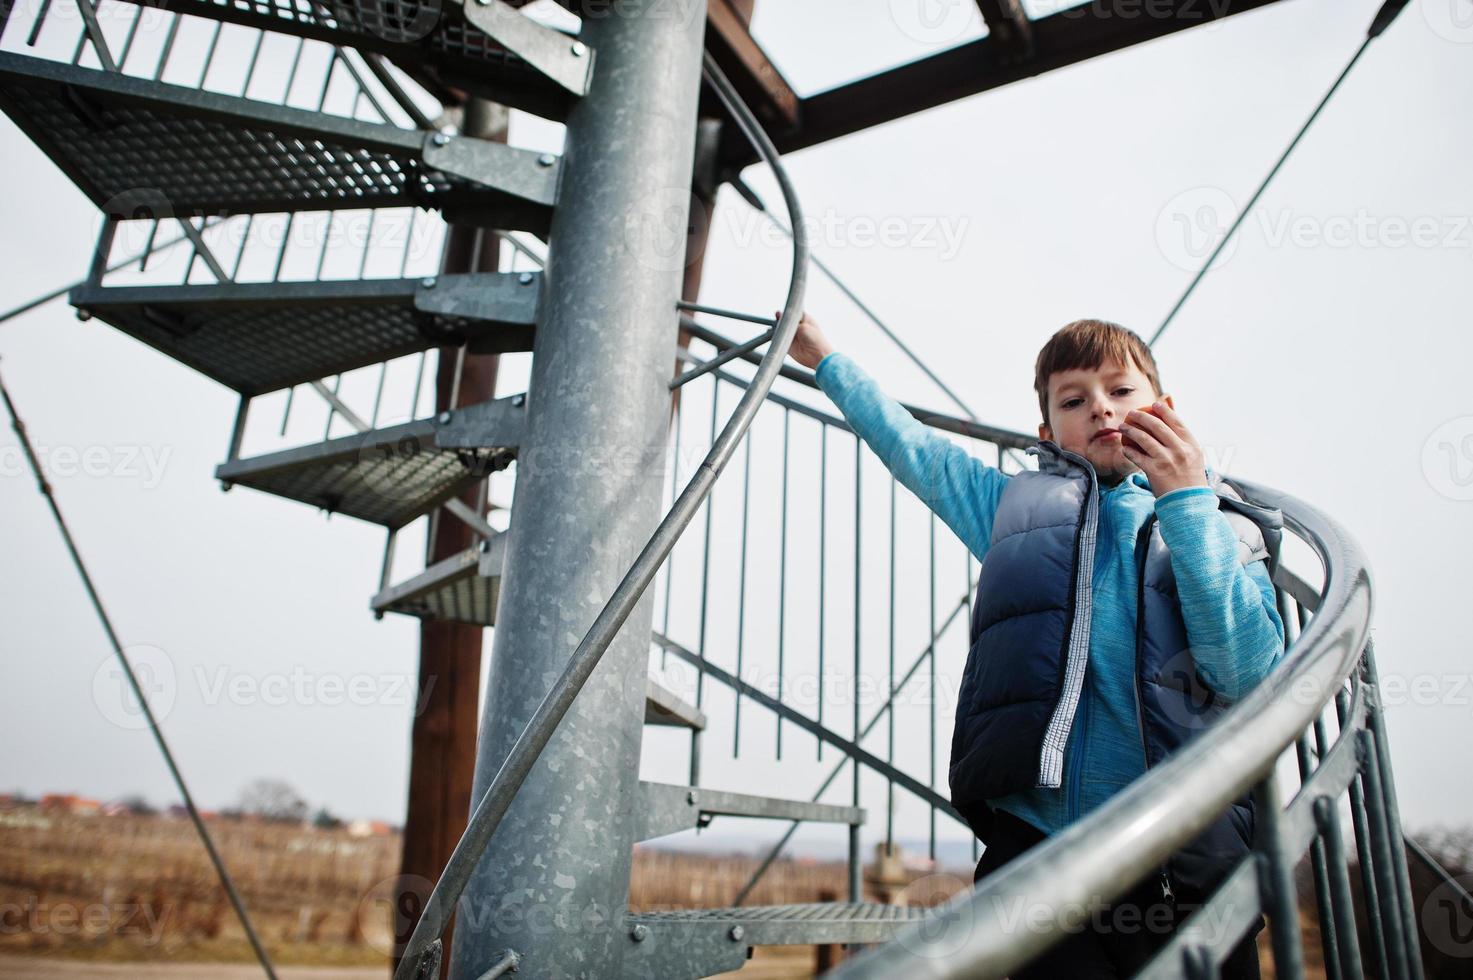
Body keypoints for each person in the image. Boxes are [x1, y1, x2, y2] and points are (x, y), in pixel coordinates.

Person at [785, 312, 1285, 978]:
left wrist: (1186, 501)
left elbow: (1246, 671)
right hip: (1037, 851)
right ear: (1049, 436)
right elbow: (914, 449)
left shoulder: (1223, 524)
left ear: (1163, 409)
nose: (1101, 409)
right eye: (1074, 401)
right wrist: (823, 358)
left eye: (1121, 391)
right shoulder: (1014, 514)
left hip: (1181, 861)